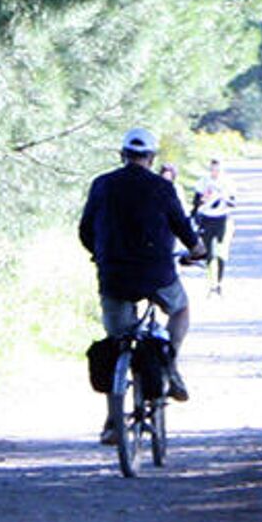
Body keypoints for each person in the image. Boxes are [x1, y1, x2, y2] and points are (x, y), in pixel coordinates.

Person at [79, 127, 205, 445]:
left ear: (122, 155)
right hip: (156, 274)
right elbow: (182, 226)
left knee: (118, 342)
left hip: (115, 275)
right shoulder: (162, 187)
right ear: (150, 157)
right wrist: (197, 249)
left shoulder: (102, 185)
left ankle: (112, 422)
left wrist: (102, 255)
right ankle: (171, 365)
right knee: (180, 308)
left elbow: (84, 230)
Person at [190, 159, 237, 296]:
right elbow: (195, 202)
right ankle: (212, 285)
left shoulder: (228, 183)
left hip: (223, 218)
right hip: (207, 218)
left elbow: (234, 203)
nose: (214, 173)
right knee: (209, 254)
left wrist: (224, 199)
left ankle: (219, 283)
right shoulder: (203, 182)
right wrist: (202, 200)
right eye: (212, 170)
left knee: (221, 254)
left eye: (217, 170)